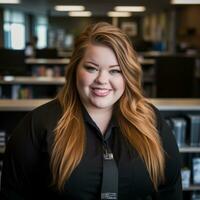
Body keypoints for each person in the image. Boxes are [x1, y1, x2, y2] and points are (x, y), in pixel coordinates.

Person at [0, 22, 182, 199]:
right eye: (91, 68)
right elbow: (14, 192)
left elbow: (170, 188)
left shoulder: (151, 119)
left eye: (115, 71)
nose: (102, 79)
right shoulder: (38, 123)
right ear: (75, 69)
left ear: (127, 75)